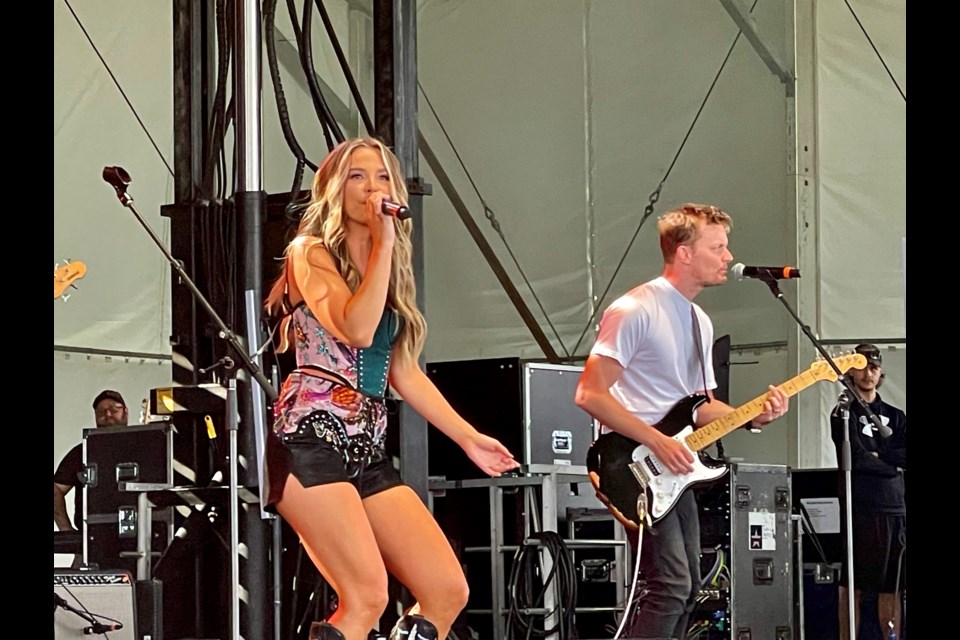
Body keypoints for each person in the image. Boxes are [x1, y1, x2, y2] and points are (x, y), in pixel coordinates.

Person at [263, 136, 519, 640]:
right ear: (335, 188)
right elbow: (354, 330)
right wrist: (382, 244)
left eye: (382, 177)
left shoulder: (389, 271)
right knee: (366, 596)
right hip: (309, 438)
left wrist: (468, 437)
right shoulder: (308, 253)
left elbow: (401, 371)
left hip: (365, 446)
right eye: (358, 176)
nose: (372, 187)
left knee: (446, 590)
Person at [574, 203, 790, 640]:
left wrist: (753, 417)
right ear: (685, 253)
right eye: (719, 247)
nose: (729, 257)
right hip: (630, 463)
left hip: (673, 466)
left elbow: (699, 406)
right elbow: (589, 394)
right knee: (669, 586)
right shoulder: (634, 310)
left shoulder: (699, 321)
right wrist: (656, 440)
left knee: (688, 587)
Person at [831, 344, 906, 640]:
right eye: (861, 366)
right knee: (853, 585)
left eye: (873, 368)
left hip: (895, 508)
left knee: (894, 585)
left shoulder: (895, 416)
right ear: (850, 370)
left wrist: (880, 457)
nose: (868, 374)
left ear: (881, 372)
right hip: (860, 507)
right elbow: (856, 458)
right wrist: (890, 463)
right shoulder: (843, 413)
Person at [53, 390, 129, 532]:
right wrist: (66, 530)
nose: (107, 414)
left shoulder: (145, 445)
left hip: (144, 536)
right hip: (91, 538)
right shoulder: (82, 451)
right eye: (101, 411)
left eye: (113, 409)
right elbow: (56, 489)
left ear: (125, 412)